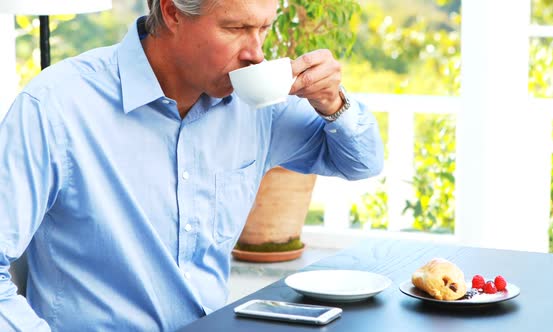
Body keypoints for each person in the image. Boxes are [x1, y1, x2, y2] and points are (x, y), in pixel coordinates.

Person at [0, 0, 383, 330]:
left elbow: (360, 163)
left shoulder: (256, 107)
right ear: (172, 12)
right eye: (236, 28)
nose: (256, 53)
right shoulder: (56, 106)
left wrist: (334, 103)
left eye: (264, 28)